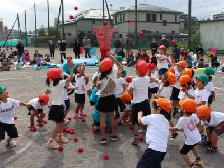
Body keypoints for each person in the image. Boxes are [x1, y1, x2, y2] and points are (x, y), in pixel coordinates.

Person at [45, 61, 73, 149]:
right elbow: (71, 77)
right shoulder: (60, 83)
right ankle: (51, 140)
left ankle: (60, 136)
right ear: (57, 76)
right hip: (57, 107)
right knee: (58, 126)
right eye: (60, 73)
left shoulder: (53, 82)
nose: (62, 74)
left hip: (57, 106)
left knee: (60, 124)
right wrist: (71, 67)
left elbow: (48, 91)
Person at [136, 98, 171, 168]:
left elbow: (140, 121)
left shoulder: (152, 117)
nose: (151, 108)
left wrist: (139, 114)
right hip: (163, 150)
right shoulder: (166, 121)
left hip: (153, 150)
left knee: (140, 166)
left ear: (159, 109)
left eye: (152, 107)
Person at [170, 99, 203, 168]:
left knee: (183, 153)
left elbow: (177, 128)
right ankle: (198, 160)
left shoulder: (182, 119)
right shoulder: (194, 115)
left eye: (181, 107)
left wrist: (167, 128)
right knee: (193, 146)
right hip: (197, 137)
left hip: (190, 139)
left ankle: (191, 165)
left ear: (183, 110)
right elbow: (197, 123)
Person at [96, 56, 118, 144]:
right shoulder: (113, 72)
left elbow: (97, 86)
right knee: (112, 117)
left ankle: (103, 137)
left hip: (103, 99)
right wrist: (111, 56)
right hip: (111, 98)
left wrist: (97, 83)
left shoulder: (100, 75)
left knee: (102, 119)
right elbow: (120, 65)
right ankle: (113, 134)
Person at [128, 60, 150, 145]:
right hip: (145, 102)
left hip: (136, 103)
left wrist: (128, 88)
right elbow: (152, 79)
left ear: (137, 70)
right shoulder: (147, 78)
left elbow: (130, 93)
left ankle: (136, 137)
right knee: (147, 120)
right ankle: (150, 136)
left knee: (135, 121)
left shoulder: (134, 81)